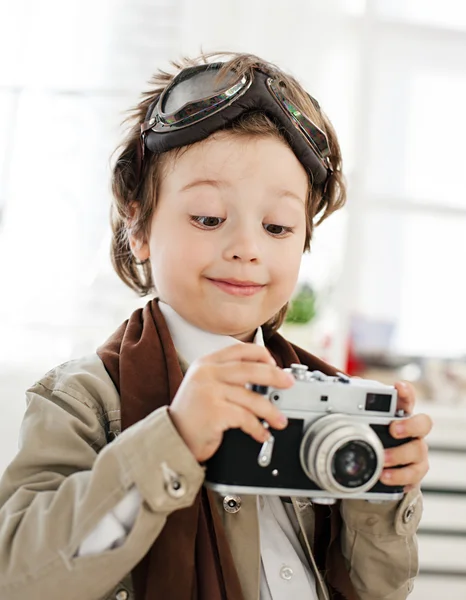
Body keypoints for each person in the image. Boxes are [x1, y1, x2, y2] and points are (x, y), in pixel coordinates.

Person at [0, 52, 432, 600]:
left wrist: (382, 495)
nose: (247, 249)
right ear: (138, 228)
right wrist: (173, 439)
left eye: (277, 226)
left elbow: (381, 591)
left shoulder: (325, 400)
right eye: (208, 218)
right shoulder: (85, 400)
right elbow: (19, 578)